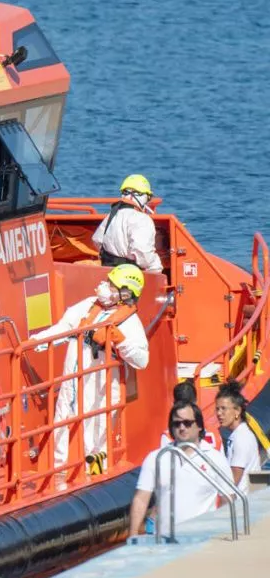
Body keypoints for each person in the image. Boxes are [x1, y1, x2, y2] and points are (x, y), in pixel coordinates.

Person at [35, 264, 150, 481]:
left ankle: (94, 473)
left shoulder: (129, 323)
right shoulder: (89, 306)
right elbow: (65, 327)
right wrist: (36, 342)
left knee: (95, 430)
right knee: (62, 420)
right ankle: (59, 471)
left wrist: (119, 341)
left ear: (125, 293)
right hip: (72, 379)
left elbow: (142, 360)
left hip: (100, 387)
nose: (105, 286)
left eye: (112, 284)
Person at [129, 400, 233, 537]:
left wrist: (220, 530)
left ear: (199, 426)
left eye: (187, 423)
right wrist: (133, 534)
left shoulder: (215, 458)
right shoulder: (156, 458)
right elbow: (141, 499)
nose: (182, 427)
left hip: (202, 539)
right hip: (164, 541)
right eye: (177, 424)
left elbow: (228, 498)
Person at [92, 174, 163, 273]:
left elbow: (97, 239)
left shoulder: (111, 215)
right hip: (130, 274)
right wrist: (156, 265)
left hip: (108, 270)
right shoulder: (142, 219)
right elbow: (143, 254)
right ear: (144, 197)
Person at [215, 382, 264, 495]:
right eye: (217, 409)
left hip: (242, 502)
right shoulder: (238, 434)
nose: (219, 413)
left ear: (237, 411)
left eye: (223, 409)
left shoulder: (241, 438)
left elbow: (232, 481)